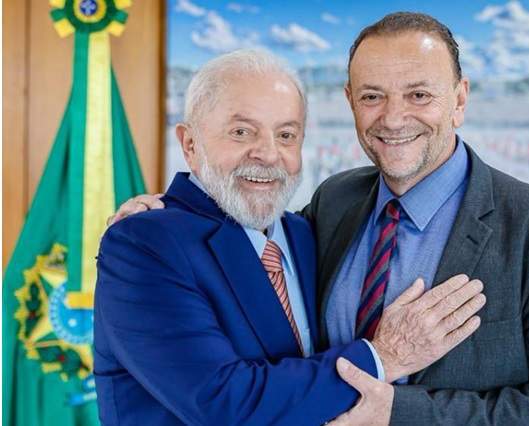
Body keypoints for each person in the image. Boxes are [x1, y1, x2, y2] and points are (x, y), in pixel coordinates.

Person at [113, 12, 529, 425]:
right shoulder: (334, 203)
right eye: (373, 96)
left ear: (459, 100)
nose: (394, 118)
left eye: (419, 95)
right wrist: (162, 215)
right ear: (351, 102)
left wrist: (401, 413)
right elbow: (239, 234)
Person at [94, 49, 485, 425]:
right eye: (241, 132)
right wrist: (385, 356)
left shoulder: (303, 233)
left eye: (286, 135)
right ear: (190, 144)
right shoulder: (143, 243)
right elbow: (224, 405)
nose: (268, 154)